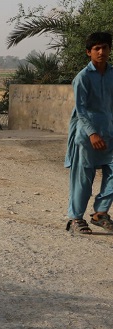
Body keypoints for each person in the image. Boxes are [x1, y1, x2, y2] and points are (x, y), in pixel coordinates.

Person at [65, 32, 113, 234]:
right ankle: (75, 219)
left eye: (105, 47)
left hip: (110, 133)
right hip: (87, 136)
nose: (101, 52)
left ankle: (100, 213)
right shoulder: (82, 77)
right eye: (96, 48)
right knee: (83, 178)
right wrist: (93, 133)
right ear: (89, 52)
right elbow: (81, 109)